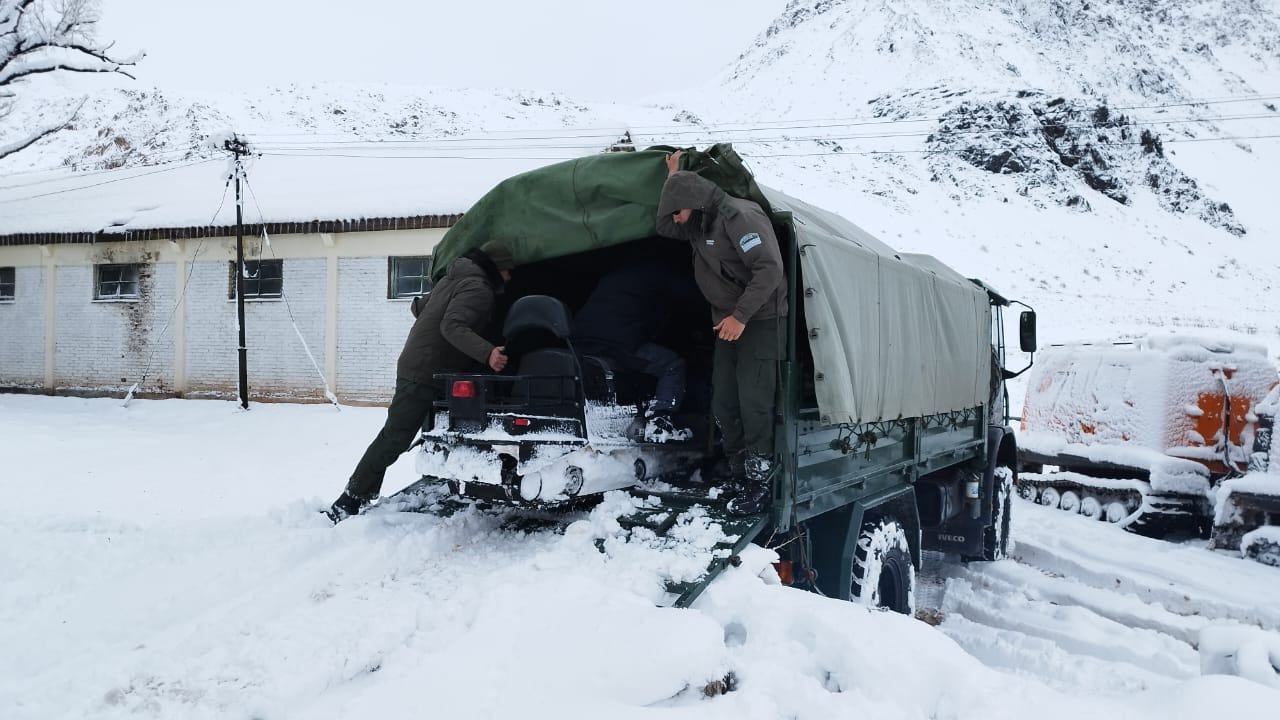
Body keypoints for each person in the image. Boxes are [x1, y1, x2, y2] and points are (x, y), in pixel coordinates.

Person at [326, 241, 515, 522]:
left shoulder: (455, 278)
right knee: (396, 436)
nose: (511, 276)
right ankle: (348, 500)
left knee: (405, 435)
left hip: (423, 366)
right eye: (510, 269)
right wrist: (488, 354)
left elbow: (420, 309)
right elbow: (451, 326)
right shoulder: (478, 288)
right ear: (498, 268)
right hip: (424, 372)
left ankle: (358, 495)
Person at [655, 151, 787, 515]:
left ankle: (760, 481)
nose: (676, 220)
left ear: (693, 204)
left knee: (754, 403)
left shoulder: (739, 217)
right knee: (725, 403)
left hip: (759, 321)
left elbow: (769, 269)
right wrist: (674, 181)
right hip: (728, 323)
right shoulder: (698, 222)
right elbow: (664, 228)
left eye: (678, 211)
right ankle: (739, 472)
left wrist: (741, 316)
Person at [570, 256, 700, 442]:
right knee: (672, 365)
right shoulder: (663, 273)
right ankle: (659, 421)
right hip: (617, 342)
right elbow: (691, 296)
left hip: (583, 338)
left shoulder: (616, 274)